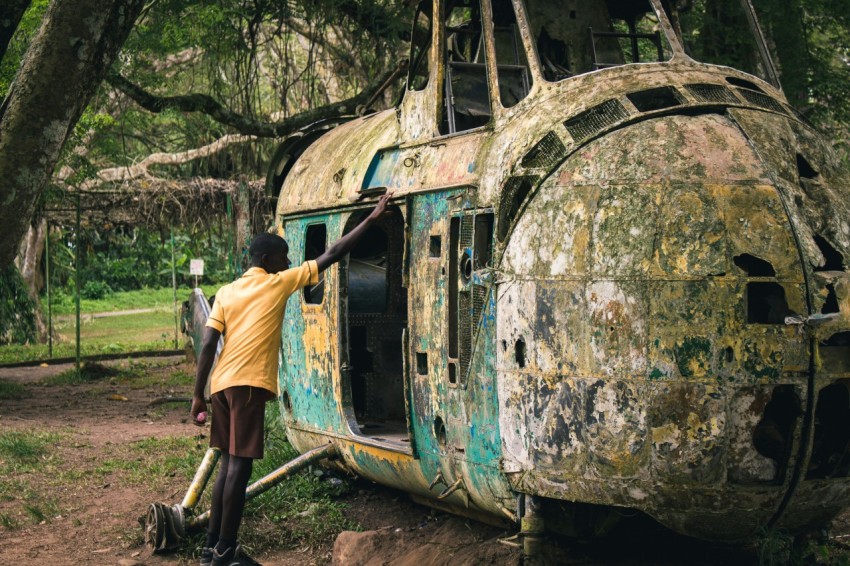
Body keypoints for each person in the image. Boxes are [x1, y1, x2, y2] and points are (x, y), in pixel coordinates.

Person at [191, 192, 393, 566]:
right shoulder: (277, 283)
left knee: (225, 466)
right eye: (284, 257)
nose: (288, 262)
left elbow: (207, 343)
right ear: (268, 261)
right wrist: (371, 219)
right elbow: (332, 254)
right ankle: (225, 551)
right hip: (248, 385)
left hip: (220, 386)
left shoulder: (227, 292)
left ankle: (210, 549)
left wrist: (197, 395)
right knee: (239, 468)